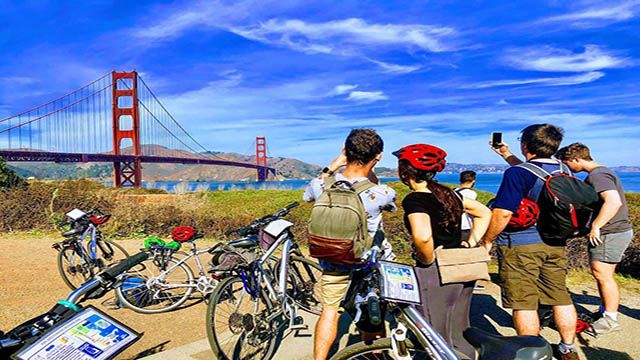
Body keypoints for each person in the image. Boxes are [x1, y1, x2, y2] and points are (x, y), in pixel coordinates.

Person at [483, 124, 581, 360]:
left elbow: (503, 213)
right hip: (555, 242)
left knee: (524, 301)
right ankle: (568, 348)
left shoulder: (516, 174)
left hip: (520, 244)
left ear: (525, 144)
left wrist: (487, 240)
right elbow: (535, 174)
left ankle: (532, 351)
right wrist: (506, 154)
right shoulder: (564, 170)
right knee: (560, 296)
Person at [303, 128, 397, 360]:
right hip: (367, 264)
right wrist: (371, 169)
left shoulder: (321, 186)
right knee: (372, 314)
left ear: (345, 151)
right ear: (378, 157)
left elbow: (307, 196)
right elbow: (385, 201)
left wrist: (332, 167)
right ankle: (374, 356)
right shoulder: (382, 192)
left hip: (332, 260)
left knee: (329, 312)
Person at [394, 144, 491, 360]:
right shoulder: (449, 195)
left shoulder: (415, 199)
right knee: (460, 330)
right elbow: (484, 212)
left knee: (434, 334)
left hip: (436, 272)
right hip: (460, 267)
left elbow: (423, 236)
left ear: (405, 171)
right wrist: (471, 242)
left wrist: (426, 259)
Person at [556, 143, 633, 334]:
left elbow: (613, 202)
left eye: (566, 163)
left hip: (610, 231)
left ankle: (610, 319)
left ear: (575, 159)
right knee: (603, 275)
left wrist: (596, 226)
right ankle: (606, 310)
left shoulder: (598, 175)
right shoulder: (602, 172)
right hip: (613, 231)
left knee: (603, 275)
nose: (568, 168)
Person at [454, 170, 478, 242]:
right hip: (465, 226)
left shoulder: (453, 191)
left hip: (454, 225)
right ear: (473, 181)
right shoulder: (471, 194)